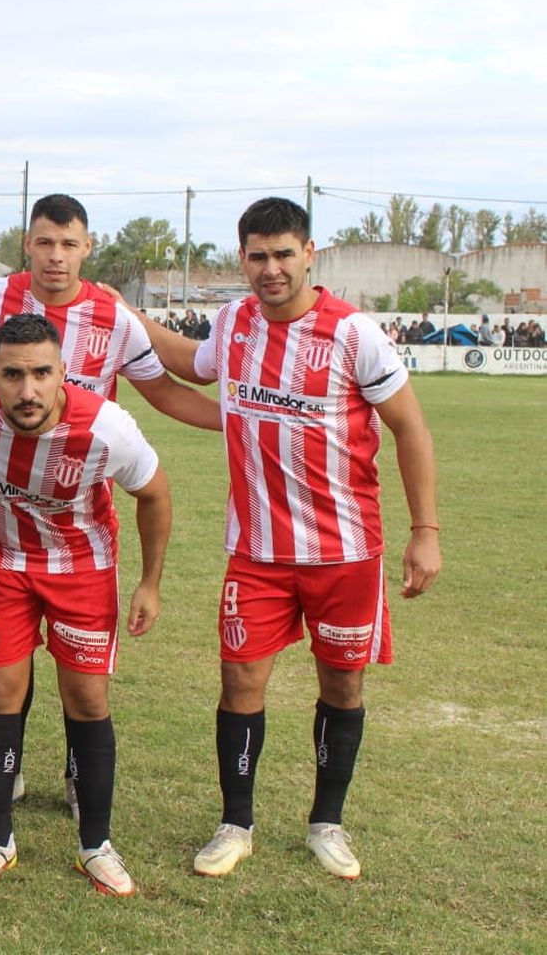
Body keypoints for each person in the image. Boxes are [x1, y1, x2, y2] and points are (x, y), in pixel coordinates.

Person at [134, 197, 441, 881]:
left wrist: (426, 532)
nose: (270, 269)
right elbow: (193, 364)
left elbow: (410, 429)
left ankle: (326, 823)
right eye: (257, 256)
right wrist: (127, 320)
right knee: (241, 679)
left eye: (283, 254)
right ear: (241, 258)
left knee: (342, 683)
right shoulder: (236, 322)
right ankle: (235, 823)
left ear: (311, 254)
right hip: (258, 553)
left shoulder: (353, 334)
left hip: (345, 552)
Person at [0, 193, 218, 820]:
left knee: (84, 682)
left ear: (87, 248)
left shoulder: (115, 317)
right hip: (4, 518)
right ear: (28, 243)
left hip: (79, 522)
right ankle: (7, 777)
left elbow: (163, 393)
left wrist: (245, 426)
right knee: (3, 671)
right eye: (45, 242)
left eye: (69, 244)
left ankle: (80, 778)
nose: (56, 256)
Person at [0, 313, 171, 895]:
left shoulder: (107, 428)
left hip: (82, 568)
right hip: (2, 562)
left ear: (64, 373)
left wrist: (150, 582)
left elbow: (155, 494)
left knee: (86, 696)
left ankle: (96, 844)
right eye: (12, 374)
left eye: (41, 374)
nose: (27, 390)